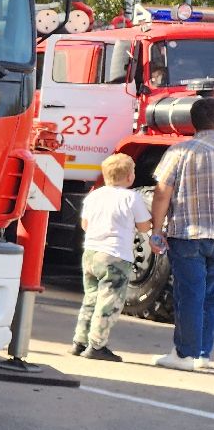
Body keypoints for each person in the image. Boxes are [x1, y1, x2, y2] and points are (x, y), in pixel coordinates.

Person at [149, 96, 214, 371]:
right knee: (210, 296)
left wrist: (156, 230)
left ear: (192, 122)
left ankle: (184, 355)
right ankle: (202, 353)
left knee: (190, 295)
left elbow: (163, 193)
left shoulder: (180, 151)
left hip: (187, 234)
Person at [70, 153, 150, 362]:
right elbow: (144, 226)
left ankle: (79, 340)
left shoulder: (94, 196)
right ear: (129, 177)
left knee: (91, 297)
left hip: (90, 253)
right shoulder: (131, 198)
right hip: (115, 255)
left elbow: (85, 225)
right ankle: (97, 345)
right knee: (109, 302)